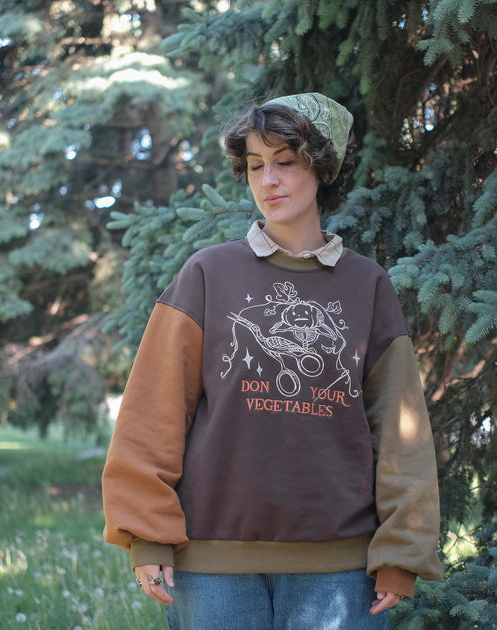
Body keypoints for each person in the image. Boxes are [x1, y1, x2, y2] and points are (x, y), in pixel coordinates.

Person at [102, 92, 443, 630]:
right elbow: (153, 408)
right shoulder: (208, 273)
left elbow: (401, 430)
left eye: (285, 162)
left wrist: (403, 550)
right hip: (212, 564)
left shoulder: (367, 285)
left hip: (338, 566)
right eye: (256, 166)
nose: (269, 181)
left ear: (321, 167)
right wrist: (148, 532)